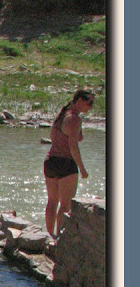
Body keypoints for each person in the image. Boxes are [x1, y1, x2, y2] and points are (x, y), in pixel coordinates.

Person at [43, 89, 95, 238]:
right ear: (79, 100)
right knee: (65, 205)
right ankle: (59, 238)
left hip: (50, 161)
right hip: (66, 163)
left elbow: (55, 138)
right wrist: (82, 168)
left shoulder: (61, 116)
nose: (90, 107)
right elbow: (73, 146)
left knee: (52, 202)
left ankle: (48, 235)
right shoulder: (74, 119)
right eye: (89, 103)